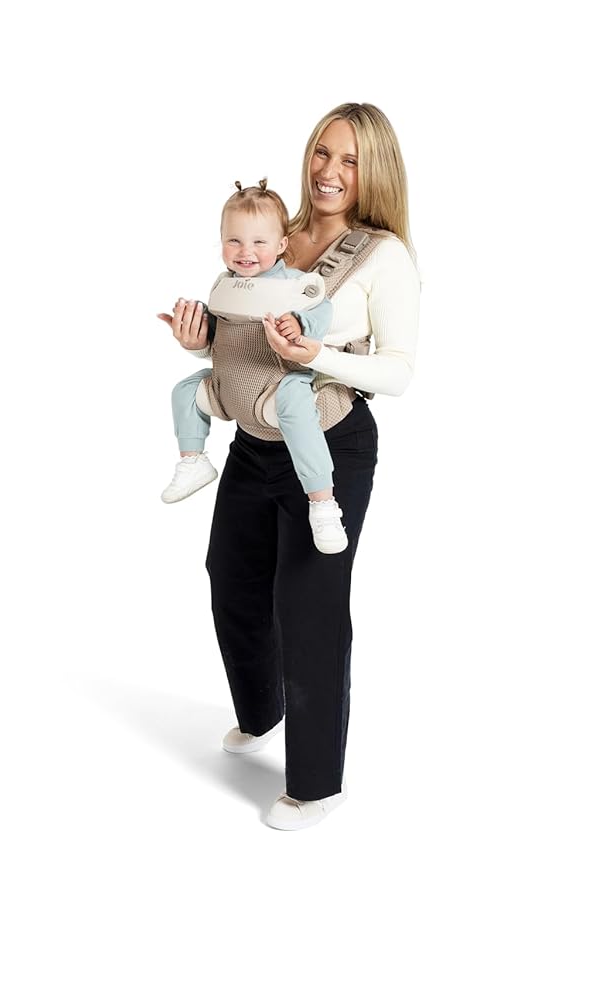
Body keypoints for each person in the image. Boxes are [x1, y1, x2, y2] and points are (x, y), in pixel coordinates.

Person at [158, 102, 421, 830]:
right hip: (256, 436)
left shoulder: (382, 256)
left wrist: (319, 355)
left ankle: (316, 784)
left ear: (375, 171)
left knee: (308, 604)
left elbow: (399, 372)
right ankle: (262, 710)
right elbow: (241, 341)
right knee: (231, 577)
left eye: (351, 160)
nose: (330, 171)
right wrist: (199, 342)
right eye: (322, 152)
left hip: (329, 441)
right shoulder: (272, 233)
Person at [160, 178, 349, 555]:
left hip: (273, 389)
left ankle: (322, 502)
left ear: (281, 245)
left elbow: (322, 311)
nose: (245, 252)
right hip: (228, 389)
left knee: (295, 401)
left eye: (259, 242)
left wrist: (300, 323)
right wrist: (196, 328)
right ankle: (193, 460)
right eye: (234, 240)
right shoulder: (224, 285)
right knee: (185, 391)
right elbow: (220, 337)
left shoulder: (296, 285)